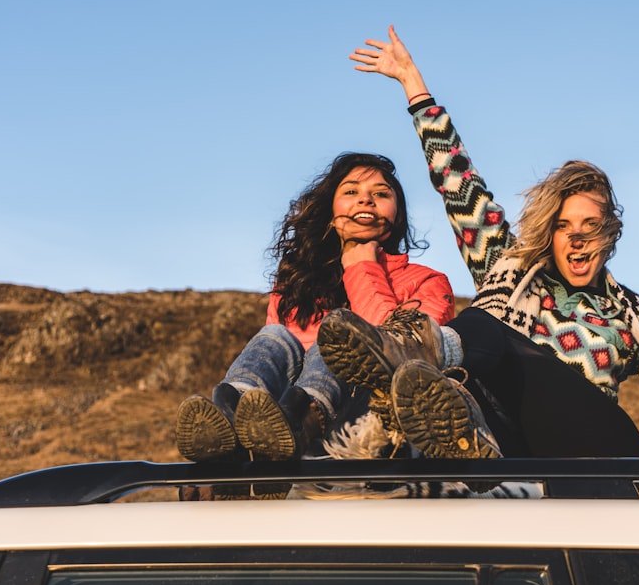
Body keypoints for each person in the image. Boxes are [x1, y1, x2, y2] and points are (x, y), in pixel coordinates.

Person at [319, 27, 639, 500]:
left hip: (593, 448)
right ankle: (447, 437)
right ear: (549, 234)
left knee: (481, 327)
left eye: (591, 228)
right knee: (486, 323)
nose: (576, 241)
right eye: (563, 227)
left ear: (611, 236)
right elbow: (459, 184)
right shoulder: (509, 266)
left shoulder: (630, 318)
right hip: (516, 449)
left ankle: (418, 347)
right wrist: (414, 86)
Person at [174, 151, 457, 463]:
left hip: (363, 422)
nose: (365, 200)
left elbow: (403, 355)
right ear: (331, 212)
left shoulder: (428, 282)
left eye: (380, 194)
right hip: (274, 419)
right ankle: (230, 423)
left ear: (397, 215)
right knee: (273, 337)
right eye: (351, 192)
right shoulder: (296, 283)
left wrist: (362, 267)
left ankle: (304, 418)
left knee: (337, 334)